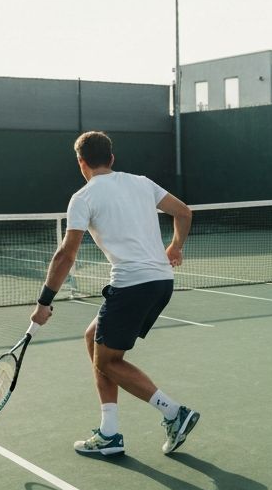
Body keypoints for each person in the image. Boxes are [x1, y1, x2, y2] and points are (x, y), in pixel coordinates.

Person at [29, 131, 199, 458]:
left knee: (108, 361)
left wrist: (43, 303)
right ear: (111, 158)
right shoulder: (142, 182)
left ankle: (173, 412)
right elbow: (184, 212)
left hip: (132, 284)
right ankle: (109, 432)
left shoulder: (83, 197)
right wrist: (175, 247)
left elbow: (66, 255)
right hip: (162, 281)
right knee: (94, 339)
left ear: (81, 163)